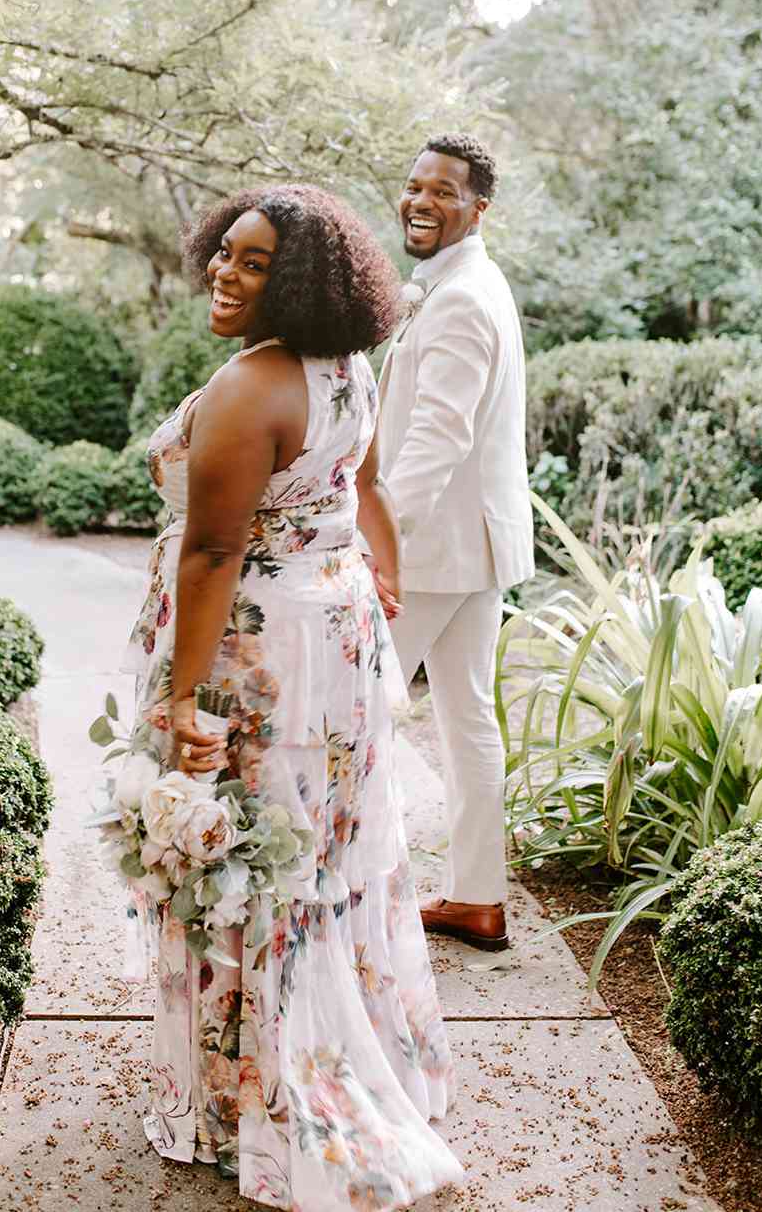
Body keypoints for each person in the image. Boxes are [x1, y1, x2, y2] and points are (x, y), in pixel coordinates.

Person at [119, 184, 464, 1211]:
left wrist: (182, 703)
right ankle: (330, 1059)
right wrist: (380, 575)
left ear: (303, 279)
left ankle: (256, 1100)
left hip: (258, 653)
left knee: (250, 856)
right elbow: (363, 492)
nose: (225, 270)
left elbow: (215, 547)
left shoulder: (248, 386)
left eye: (255, 261)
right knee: (323, 854)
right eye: (224, 250)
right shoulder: (345, 370)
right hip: (339, 641)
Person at [376, 133, 534, 953]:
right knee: (467, 717)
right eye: (413, 186)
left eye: (443, 190)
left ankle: (356, 892)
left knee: (356, 708)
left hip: (430, 548)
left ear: (479, 208)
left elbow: (438, 433)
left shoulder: (464, 296)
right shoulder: (463, 285)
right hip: (471, 543)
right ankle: (476, 898)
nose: (421, 200)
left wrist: (376, 539)